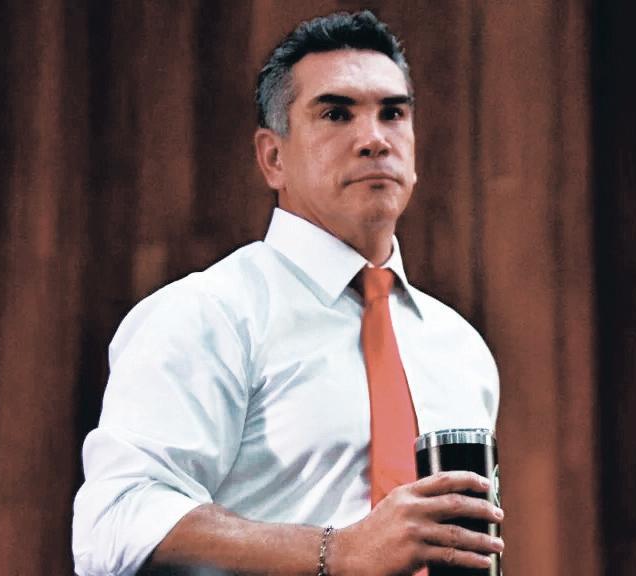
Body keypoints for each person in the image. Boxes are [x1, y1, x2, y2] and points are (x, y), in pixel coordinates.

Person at [73, 10, 503, 576]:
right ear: (273, 157)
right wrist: (338, 551)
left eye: (393, 113)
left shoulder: (462, 348)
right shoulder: (209, 315)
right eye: (336, 113)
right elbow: (115, 522)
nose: (375, 139)